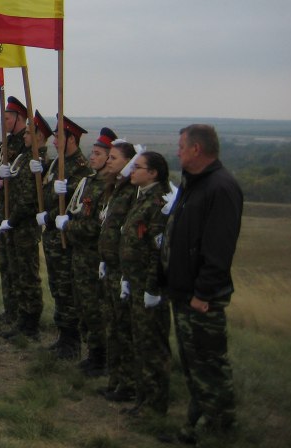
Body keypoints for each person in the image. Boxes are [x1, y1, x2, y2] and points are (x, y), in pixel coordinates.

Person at [160, 124, 243, 444]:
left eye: (181, 146)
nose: (177, 151)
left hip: (202, 297)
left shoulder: (220, 188)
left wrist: (204, 292)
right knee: (194, 364)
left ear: (197, 149)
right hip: (184, 292)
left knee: (210, 364)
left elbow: (219, 248)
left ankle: (220, 429)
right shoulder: (194, 184)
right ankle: (196, 426)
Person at [120, 151, 173, 417]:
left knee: (152, 345)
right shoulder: (144, 197)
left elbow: (157, 250)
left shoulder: (160, 202)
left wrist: (153, 287)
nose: (133, 171)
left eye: (138, 168)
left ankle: (155, 404)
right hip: (137, 281)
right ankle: (144, 399)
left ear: (153, 173)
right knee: (140, 342)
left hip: (150, 286)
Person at [61, 126, 117, 376]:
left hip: (94, 256)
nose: (92, 157)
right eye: (92, 152)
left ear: (108, 157)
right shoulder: (91, 181)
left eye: (97, 153)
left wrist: (69, 227)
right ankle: (92, 354)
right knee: (83, 306)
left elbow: (96, 225)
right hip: (80, 255)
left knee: (96, 309)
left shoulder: (108, 186)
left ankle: (100, 359)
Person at [37, 114, 92, 360]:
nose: (55, 142)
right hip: (52, 240)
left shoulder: (81, 169)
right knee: (58, 288)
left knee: (68, 290)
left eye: (59, 137)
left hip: (66, 241)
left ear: (72, 138)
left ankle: (72, 343)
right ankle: (63, 336)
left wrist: (49, 216)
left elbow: (73, 205)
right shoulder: (55, 164)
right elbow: (48, 194)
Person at [0, 101, 46, 342]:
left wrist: (13, 219)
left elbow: (29, 196)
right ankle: (15, 313)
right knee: (12, 267)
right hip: (12, 217)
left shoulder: (37, 159)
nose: (25, 134)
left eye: (29, 131)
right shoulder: (24, 154)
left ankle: (29, 321)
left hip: (23, 223)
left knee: (27, 272)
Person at [96, 139, 138, 402]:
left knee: (124, 328)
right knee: (112, 326)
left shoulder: (132, 191)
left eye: (113, 158)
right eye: (107, 156)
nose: (108, 161)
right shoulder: (115, 189)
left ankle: (129, 384)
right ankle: (116, 380)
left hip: (122, 271)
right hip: (110, 267)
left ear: (128, 163)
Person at [0, 96, 28, 326]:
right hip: (5, 207)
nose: (4, 122)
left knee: (19, 265)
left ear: (19, 118)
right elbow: (3, 158)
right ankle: (10, 310)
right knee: (6, 264)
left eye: (7, 118)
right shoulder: (9, 141)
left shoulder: (26, 143)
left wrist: (4, 182)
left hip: (18, 211)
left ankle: (23, 315)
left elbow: (19, 170)